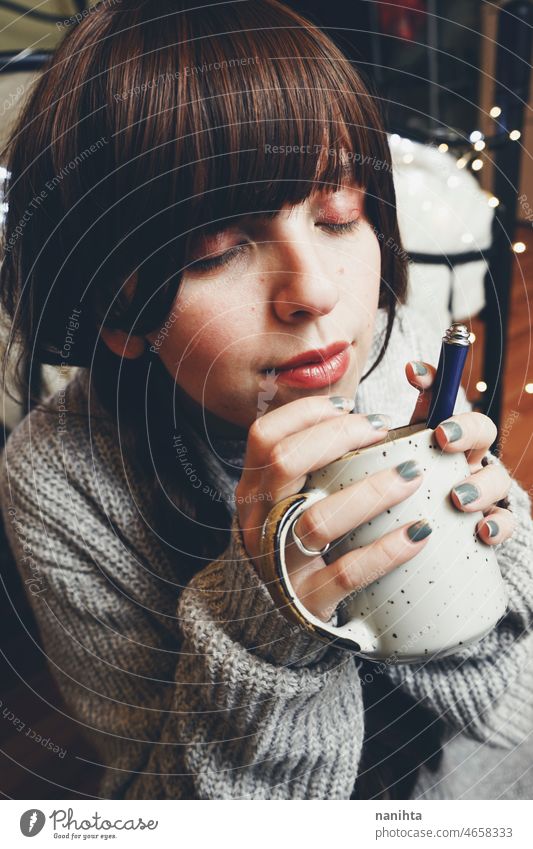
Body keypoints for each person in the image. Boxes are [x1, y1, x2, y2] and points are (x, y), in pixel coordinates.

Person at [0, 0, 531, 800]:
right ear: (118, 309)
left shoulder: (398, 344)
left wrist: (488, 547)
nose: (315, 293)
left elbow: (509, 700)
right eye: (217, 253)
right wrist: (265, 620)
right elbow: (163, 806)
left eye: (337, 216)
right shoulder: (61, 481)